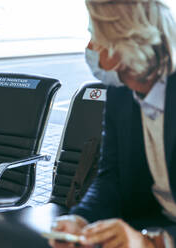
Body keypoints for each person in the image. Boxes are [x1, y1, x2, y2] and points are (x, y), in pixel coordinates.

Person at [49, 0, 176, 247]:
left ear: (127, 41)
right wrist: (80, 218)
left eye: (95, 36)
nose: (90, 47)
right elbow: (110, 177)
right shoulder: (120, 94)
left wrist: (155, 241)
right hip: (152, 220)